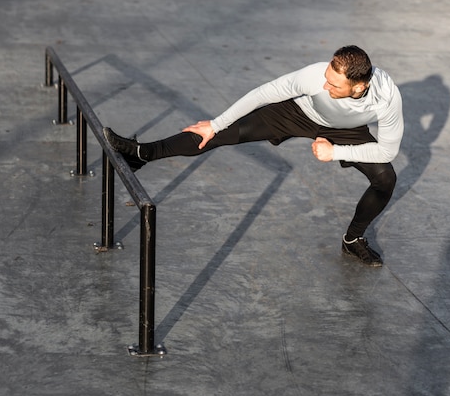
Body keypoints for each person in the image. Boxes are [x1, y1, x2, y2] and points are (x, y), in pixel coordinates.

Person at [104, 45, 403, 267]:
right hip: (297, 113)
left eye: (334, 85)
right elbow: (265, 92)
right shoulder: (315, 77)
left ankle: (352, 239)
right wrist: (217, 123)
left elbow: (387, 150)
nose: (325, 85)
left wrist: (334, 151)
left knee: (385, 178)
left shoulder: (386, 99)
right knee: (216, 134)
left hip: (346, 130)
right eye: (326, 78)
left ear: (359, 87)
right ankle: (142, 153)